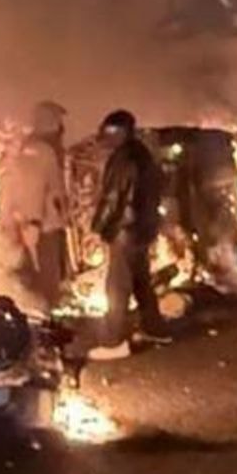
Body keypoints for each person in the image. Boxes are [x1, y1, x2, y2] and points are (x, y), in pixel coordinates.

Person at [87, 109, 168, 362]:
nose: (104, 138)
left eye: (109, 132)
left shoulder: (123, 159)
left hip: (125, 230)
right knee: (141, 281)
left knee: (117, 286)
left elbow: (113, 199)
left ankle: (113, 342)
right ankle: (155, 329)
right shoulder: (142, 154)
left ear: (120, 132)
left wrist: (97, 228)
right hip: (142, 229)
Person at [0, 100, 72, 307]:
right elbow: (37, 187)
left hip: (40, 223)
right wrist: (34, 222)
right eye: (58, 122)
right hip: (43, 225)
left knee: (42, 270)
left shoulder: (32, 149)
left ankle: (43, 304)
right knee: (46, 271)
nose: (61, 129)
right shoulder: (42, 151)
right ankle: (45, 310)